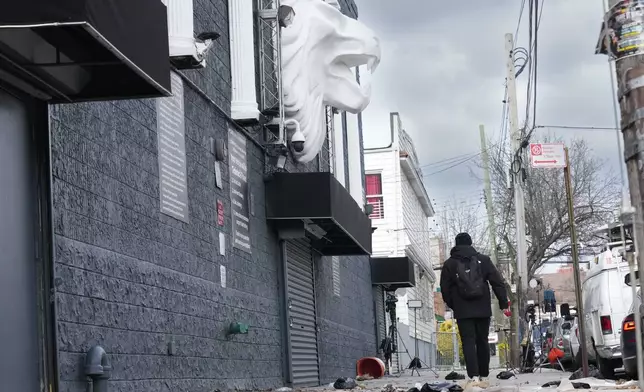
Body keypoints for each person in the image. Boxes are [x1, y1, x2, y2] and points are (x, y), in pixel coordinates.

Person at [440, 232, 509, 385]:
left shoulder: (449, 264)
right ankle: (484, 375)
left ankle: (474, 376)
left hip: (463, 310)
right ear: (470, 243)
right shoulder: (483, 260)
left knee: (468, 341)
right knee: (482, 341)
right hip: (483, 307)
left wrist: (454, 304)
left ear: (456, 244)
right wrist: (503, 302)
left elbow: (444, 289)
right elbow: (497, 282)